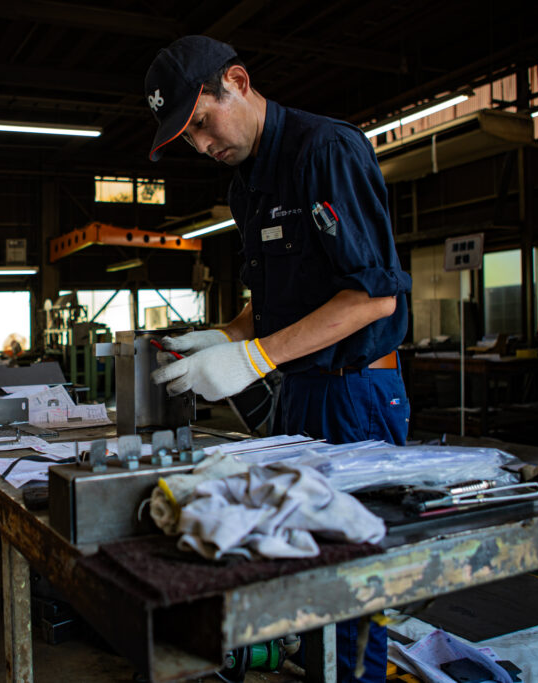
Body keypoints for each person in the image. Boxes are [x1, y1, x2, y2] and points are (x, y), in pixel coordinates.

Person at [144, 35, 412, 683]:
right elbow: (270, 305)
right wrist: (228, 336)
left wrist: (256, 354)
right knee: (299, 564)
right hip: (298, 392)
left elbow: (374, 298)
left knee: (351, 580)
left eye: (203, 123)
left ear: (236, 80)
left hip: (355, 395)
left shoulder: (325, 151)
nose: (203, 145)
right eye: (188, 139)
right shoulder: (247, 188)